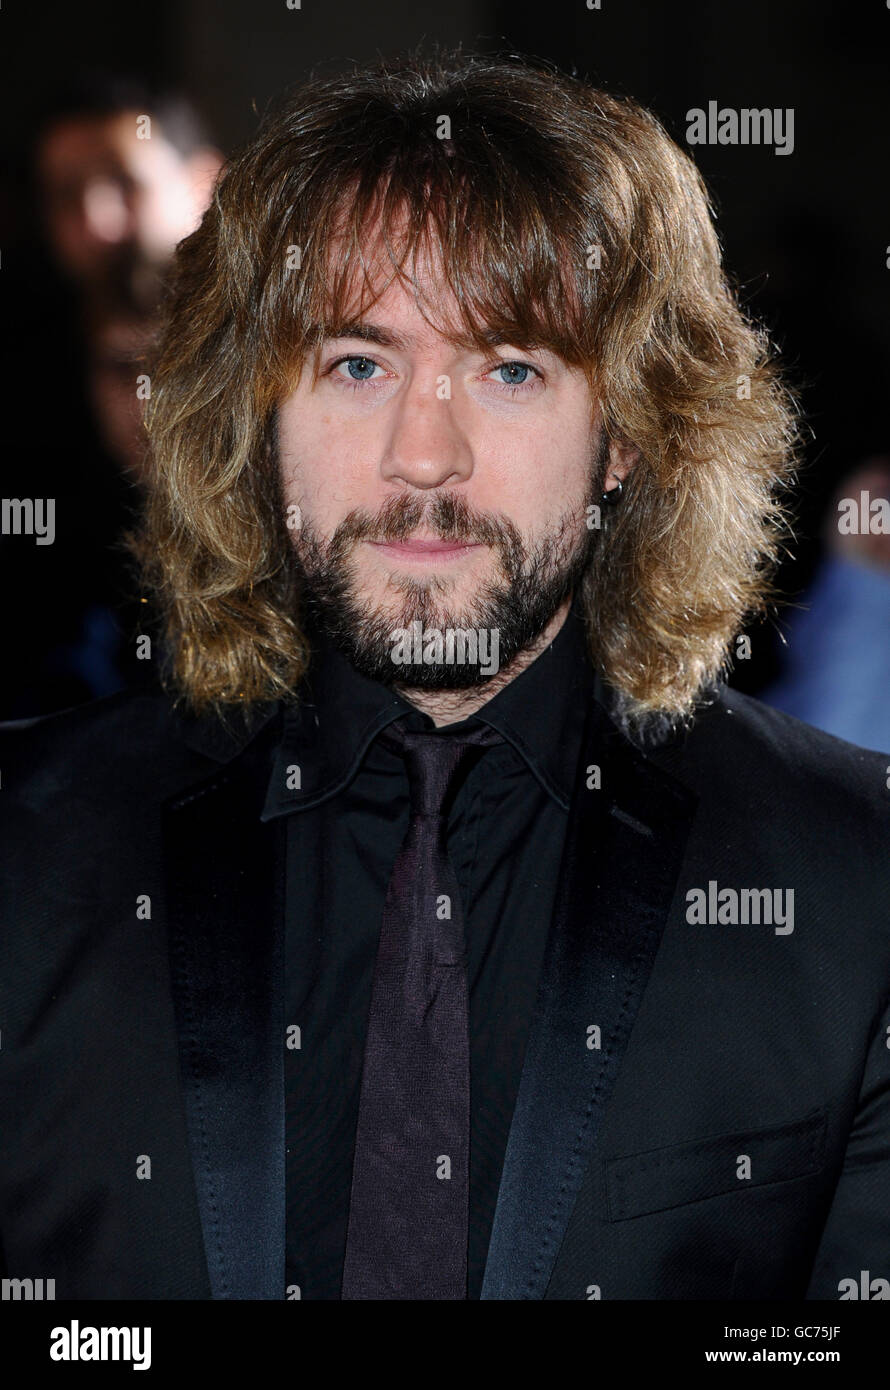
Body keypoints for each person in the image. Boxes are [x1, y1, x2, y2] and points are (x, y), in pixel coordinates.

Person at [1, 52, 887, 1302]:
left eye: (510, 368)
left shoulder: (854, 875)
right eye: (357, 365)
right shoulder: (28, 853)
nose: (424, 458)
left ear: (626, 430)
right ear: (255, 418)